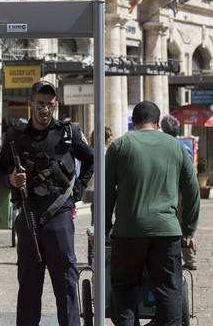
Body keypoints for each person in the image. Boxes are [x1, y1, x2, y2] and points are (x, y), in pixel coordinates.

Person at [0, 80, 94, 326]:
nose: (45, 110)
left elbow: (92, 159)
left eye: (50, 105)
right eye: (40, 104)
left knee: (66, 284)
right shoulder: (15, 137)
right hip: (28, 218)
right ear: (30, 104)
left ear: (56, 105)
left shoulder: (67, 133)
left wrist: (78, 190)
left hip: (59, 216)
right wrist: (12, 179)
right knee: (28, 286)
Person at [106, 101, 200, 326]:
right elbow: (193, 188)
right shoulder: (176, 146)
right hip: (166, 232)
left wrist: (103, 228)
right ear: (158, 123)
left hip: (128, 231)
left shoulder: (119, 146)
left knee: (125, 290)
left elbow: (106, 192)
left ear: (134, 122)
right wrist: (188, 229)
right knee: (169, 291)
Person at [161, 114, 198, 271]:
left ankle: (168, 256)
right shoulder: (186, 145)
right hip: (184, 192)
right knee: (184, 225)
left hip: (170, 192)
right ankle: (190, 259)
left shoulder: (164, 146)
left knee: (170, 226)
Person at [85, 126, 112, 265]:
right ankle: (97, 255)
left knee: (96, 223)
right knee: (102, 224)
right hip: (102, 190)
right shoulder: (106, 152)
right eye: (109, 136)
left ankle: (92, 256)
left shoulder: (90, 150)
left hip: (93, 191)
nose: (111, 138)